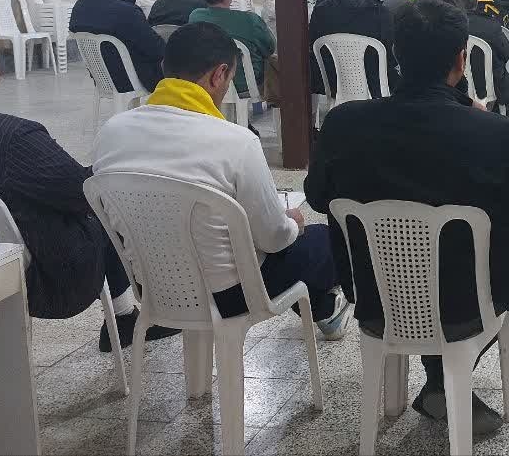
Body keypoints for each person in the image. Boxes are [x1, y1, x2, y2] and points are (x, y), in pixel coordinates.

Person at [305, 0, 509, 433]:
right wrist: (479, 118)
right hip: (464, 300)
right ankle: (445, 379)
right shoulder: (491, 131)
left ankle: (437, 381)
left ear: (396, 53)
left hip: (374, 292)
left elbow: (318, 198)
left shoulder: (342, 124)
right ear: (462, 59)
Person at [93, 23, 349, 339]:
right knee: (324, 240)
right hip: (229, 296)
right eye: (228, 80)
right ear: (219, 74)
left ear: (164, 68)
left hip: (153, 288)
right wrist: (293, 224)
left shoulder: (111, 132)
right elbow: (273, 239)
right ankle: (324, 308)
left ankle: (324, 308)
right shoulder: (236, 142)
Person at [0, 29, 179, 351]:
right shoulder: (12, 138)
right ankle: (145, 309)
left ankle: (126, 314)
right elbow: (83, 193)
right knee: (108, 197)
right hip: (43, 275)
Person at [70, 0, 166, 92]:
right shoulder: (127, 11)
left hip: (103, 80)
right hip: (136, 80)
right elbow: (157, 50)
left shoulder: (79, 7)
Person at [309, 0, 399, 100]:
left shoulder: (321, 10)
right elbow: (390, 55)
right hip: (374, 85)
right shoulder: (380, 12)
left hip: (333, 84)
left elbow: (313, 44)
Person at [188, 0, 276, 99]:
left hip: (209, 87)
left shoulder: (195, 17)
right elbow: (270, 48)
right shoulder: (250, 20)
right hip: (249, 89)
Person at [450, 0, 509, 116]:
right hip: (489, 85)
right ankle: (499, 117)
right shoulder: (491, 25)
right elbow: (506, 54)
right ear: (476, 1)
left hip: (453, 85)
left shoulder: (444, 26)